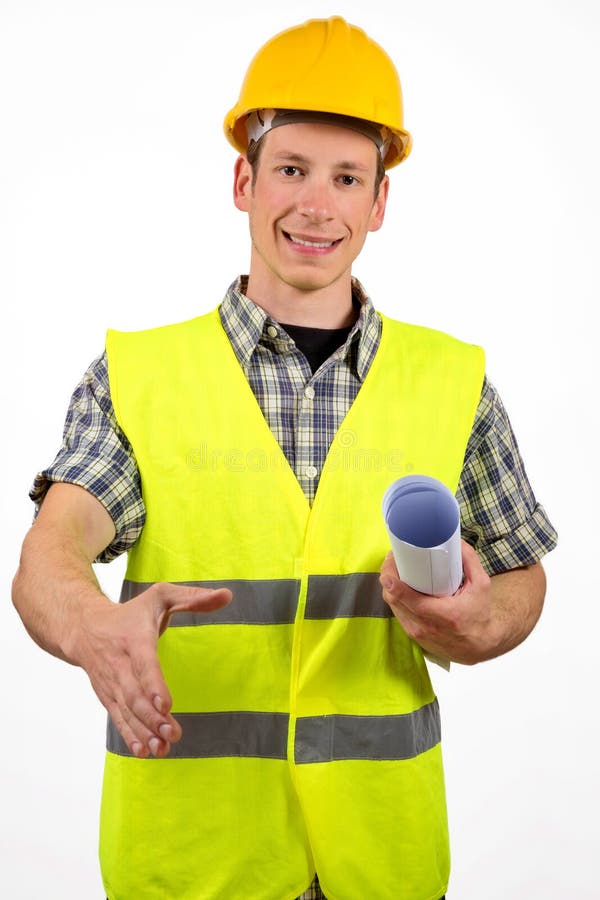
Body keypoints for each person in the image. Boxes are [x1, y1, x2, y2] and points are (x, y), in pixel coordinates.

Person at [12, 16, 557, 900]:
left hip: (381, 861)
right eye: (293, 169)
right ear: (244, 180)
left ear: (379, 204)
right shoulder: (140, 378)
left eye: (347, 178)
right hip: (194, 864)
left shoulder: (453, 382)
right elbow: (51, 552)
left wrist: (481, 621)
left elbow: (522, 576)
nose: (316, 204)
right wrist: (90, 627)